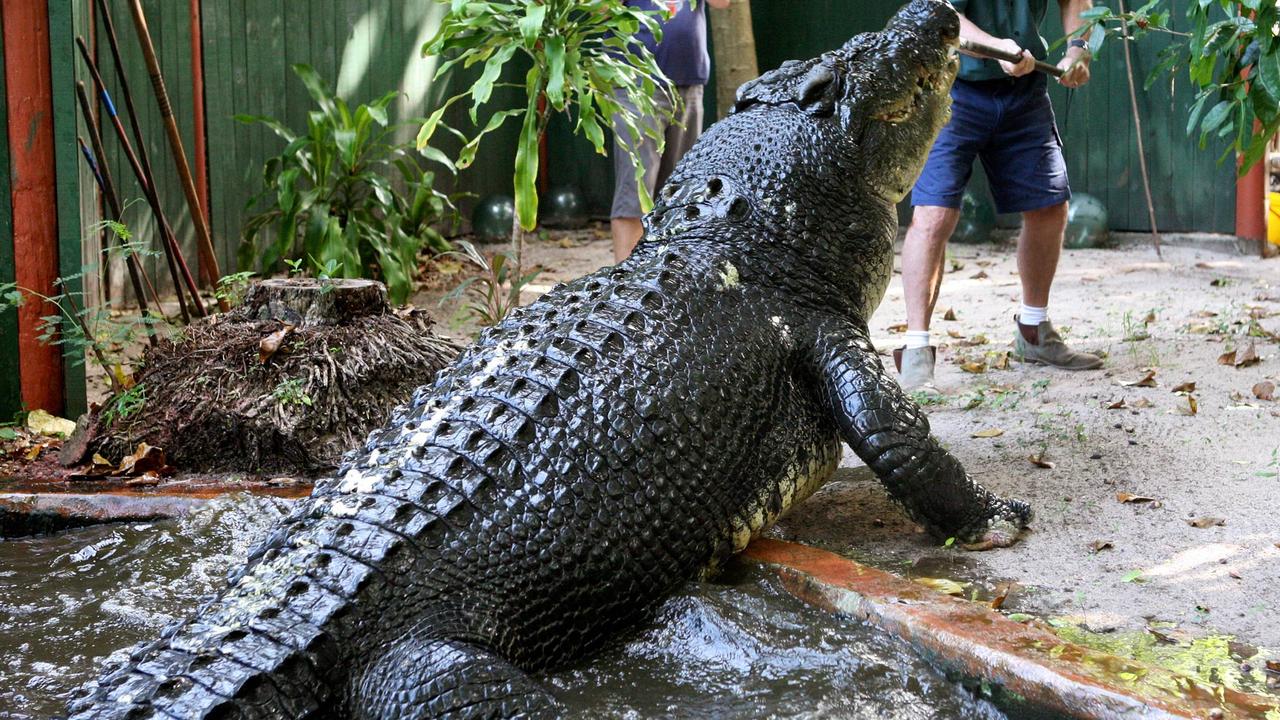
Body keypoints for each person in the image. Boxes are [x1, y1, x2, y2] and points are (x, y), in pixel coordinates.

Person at [895, 0, 1102, 390]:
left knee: (1049, 206)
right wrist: (997, 47)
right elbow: (944, 17)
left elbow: (1077, 2)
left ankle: (1033, 331)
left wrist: (1078, 51)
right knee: (934, 214)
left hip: (1024, 91)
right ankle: (916, 350)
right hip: (953, 91)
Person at [612, 0, 730, 262]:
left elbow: (723, 3)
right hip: (637, 85)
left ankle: (666, 282)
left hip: (689, 83)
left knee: (681, 196)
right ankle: (624, 289)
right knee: (634, 194)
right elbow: (598, 9)